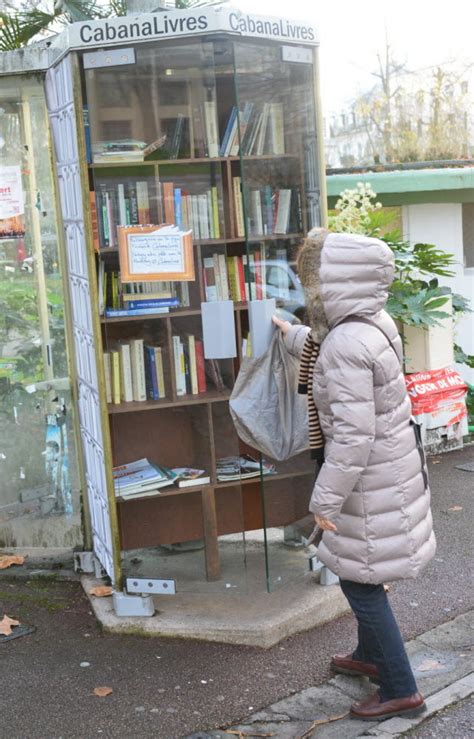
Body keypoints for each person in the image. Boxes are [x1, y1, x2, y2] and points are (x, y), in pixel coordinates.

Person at [273, 228, 436, 722]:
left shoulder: (346, 342)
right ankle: (371, 657)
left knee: (361, 584)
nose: (309, 287)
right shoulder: (371, 323)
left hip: (366, 482)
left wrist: (324, 502)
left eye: (314, 277)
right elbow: (331, 353)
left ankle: (401, 690)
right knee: (360, 572)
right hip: (387, 473)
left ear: (334, 283)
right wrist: (293, 333)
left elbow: (351, 437)